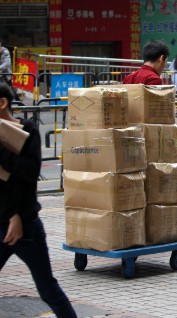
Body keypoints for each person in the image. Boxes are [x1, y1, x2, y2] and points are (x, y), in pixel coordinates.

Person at [0, 82, 77, 317]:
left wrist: (17, 217)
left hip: (27, 226)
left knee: (47, 289)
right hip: (4, 219)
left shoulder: (28, 131)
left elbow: (30, 173)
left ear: (2, 102)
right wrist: (10, 215)